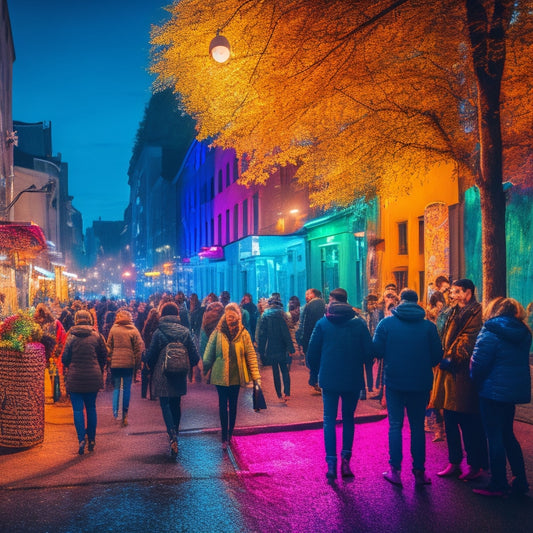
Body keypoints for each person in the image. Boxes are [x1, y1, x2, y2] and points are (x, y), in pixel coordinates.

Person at [373, 289, 443, 486]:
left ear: (401, 301)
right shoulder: (428, 326)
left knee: (395, 425)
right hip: (420, 382)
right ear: (417, 302)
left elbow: (376, 349)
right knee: (417, 428)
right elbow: (437, 355)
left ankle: (395, 471)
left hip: (394, 381)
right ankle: (419, 472)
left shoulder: (386, 323)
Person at [306, 291, 373, 481]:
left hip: (329, 378)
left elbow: (312, 353)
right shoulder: (359, 323)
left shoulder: (323, 323)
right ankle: (346, 460)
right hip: (352, 378)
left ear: (332, 301)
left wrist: (317, 370)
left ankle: (331, 464)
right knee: (349, 418)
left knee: (329, 419)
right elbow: (369, 352)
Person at [428, 279, 489, 480]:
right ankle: (454, 462)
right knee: (451, 421)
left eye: (456, 291)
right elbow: (441, 334)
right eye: (451, 291)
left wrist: (450, 358)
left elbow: (468, 340)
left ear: (468, 293)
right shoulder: (452, 311)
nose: (451, 295)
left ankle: (476, 464)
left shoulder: (476, 313)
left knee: (469, 423)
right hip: (448, 375)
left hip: (464, 376)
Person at [470, 297, 532, 496]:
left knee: (494, 436)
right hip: (511, 392)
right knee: (508, 434)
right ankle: (520, 479)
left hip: (491, 391)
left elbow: (479, 363)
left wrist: (475, 379)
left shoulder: (489, 330)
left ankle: (498, 483)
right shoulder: (524, 333)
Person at [143, 302, 200, 459]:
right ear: (177, 315)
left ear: (162, 314)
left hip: (163, 372)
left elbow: (152, 354)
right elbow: (195, 356)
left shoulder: (159, 331)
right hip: (180, 371)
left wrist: (146, 361)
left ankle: (171, 433)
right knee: (176, 402)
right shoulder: (185, 331)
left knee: (165, 403)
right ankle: (176, 430)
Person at [203, 303, 261, 449]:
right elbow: (251, 356)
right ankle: (226, 435)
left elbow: (208, 356)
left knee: (231, 405)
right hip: (222, 377)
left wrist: (202, 370)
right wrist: (203, 369)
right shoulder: (225, 333)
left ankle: (228, 435)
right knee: (225, 405)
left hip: (232, 376)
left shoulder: (241, 333)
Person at [61, 310, 108, 454]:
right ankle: (92, 439)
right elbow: (104, 355)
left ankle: (81, 439)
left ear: (76, 320)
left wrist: (71, 365)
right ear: (89, 320)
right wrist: (98, 368)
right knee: (91, 408)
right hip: (93, 377)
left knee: (77, 410)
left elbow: (65, 358)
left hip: (75, 377)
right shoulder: (96, 336)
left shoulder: (71, 337)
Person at [106, 309, 145, 427]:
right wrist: (137, 364)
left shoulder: (113, 329)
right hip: (129, 364)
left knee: (117, 387)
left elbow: (108, 347)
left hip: (116, 364)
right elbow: (139, 349)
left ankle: (115, 412)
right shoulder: (133, 330)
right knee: (127, 388)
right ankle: (124, 413)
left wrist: (109, 360)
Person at [257, 297, 295, 403]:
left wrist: (261, 350)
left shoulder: (265, 316)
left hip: (271, 348)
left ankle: (279, 394)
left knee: (275, 371)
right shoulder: (282, 315)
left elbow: (262, 335)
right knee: (285, 370)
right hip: (282, 348)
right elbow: (286, 334)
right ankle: (287, 392)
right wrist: (290, 348)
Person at [141, 307, 160, 399]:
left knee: (147, 372)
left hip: (148, 349)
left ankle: (144, 393)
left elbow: (144, 335)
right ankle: (154, 393)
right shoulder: (158, 324)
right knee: (155, 373)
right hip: (157, 350)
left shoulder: (147, 324)